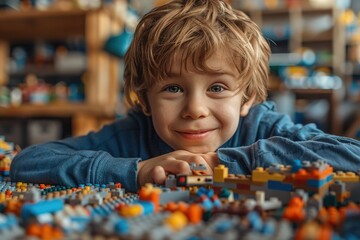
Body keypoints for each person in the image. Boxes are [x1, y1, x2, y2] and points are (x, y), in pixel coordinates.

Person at [10, 0, 360, 193]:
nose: (195, 109)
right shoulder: (132, 135)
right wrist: (136, 169)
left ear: (248, 97)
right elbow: (28, 161)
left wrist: (230, 161)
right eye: (173, 88)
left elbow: (352, 154)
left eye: (217, 88)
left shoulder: (262, 128)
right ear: (145, 100)